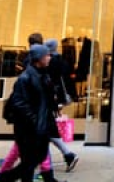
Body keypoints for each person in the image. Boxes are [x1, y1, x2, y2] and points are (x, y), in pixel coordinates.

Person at [0, 44, 62, 182]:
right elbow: (20, 103)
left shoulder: (43, 75)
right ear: (39, 58)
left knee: (33, 160)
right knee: (29, 162)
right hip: (29, 128)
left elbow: (45, 99)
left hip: (40, 126)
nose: (49, 58)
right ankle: (3, 178)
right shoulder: (25, 78)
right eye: (47, 55)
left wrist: (53, 105)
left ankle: (3, 178)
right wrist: (35, 120)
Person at [46, 39, 79, 172]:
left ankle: (46, 168)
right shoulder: (62, 61)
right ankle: (67, 155)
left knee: (45, 131)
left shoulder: (50, 62)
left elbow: (51, 82)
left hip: (49, 99)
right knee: (47, 131)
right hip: (55, 99)